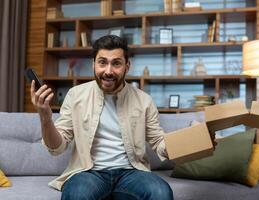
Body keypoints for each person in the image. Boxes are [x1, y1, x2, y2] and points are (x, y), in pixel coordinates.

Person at [30, 35, 174, 200]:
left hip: (132, 173)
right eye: (102, 62)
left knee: (161, 192)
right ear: (94, 64)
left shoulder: (144, 100)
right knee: (77, 195)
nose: (108, 71)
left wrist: (186, 143)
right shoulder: (76, 95)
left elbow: (158, 141)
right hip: (89, 173)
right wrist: (46, 118)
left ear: (127, 66)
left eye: (116, 63)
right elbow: (57, 147)